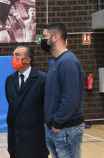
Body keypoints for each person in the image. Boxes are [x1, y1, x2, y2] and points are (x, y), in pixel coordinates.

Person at [42, 23, 85, 158]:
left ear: (54, 37)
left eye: (44, 36)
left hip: (65, 129)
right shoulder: (56, 61)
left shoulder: (68, 62)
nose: (42, 40)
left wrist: (58, 122)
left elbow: (71, 98)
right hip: (56, 128)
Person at [5, 46, 48, 158]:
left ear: (28, 60)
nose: (14, 58)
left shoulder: (42, 79)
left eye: (17, 55)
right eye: (13, 55)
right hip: (15, 140)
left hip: (35, 139)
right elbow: (12, 105)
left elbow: (47, 107)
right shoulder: (9, 80)